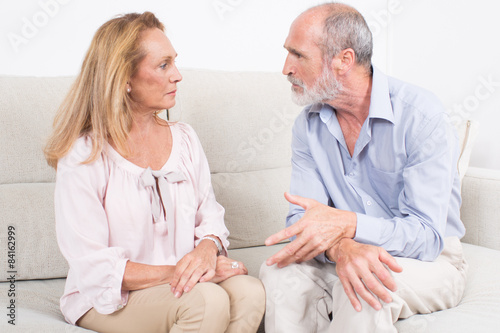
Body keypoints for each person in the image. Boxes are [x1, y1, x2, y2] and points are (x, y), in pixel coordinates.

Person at [44, 12, 265, 333]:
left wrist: (206, 252)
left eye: (174, 63)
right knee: (207, 301)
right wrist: (181, 271)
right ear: (125, 79)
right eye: (163, 65)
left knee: (249, 291)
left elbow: (211, 217)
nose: (177, 75)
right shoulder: (85, 154)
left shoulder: (185, 138)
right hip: (110, 297)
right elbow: (94, 266)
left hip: (184, 285)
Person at [260, 3, 467, 332]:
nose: (286, 67)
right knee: (277, 271)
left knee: (362, 282)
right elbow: (303, 221)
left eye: (298, 55)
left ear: (344, 60)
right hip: (349, 249)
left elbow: (427, 237)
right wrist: (344, 246)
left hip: (430, 260)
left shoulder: (421, 116)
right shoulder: (308, 127)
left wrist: (350, 224)